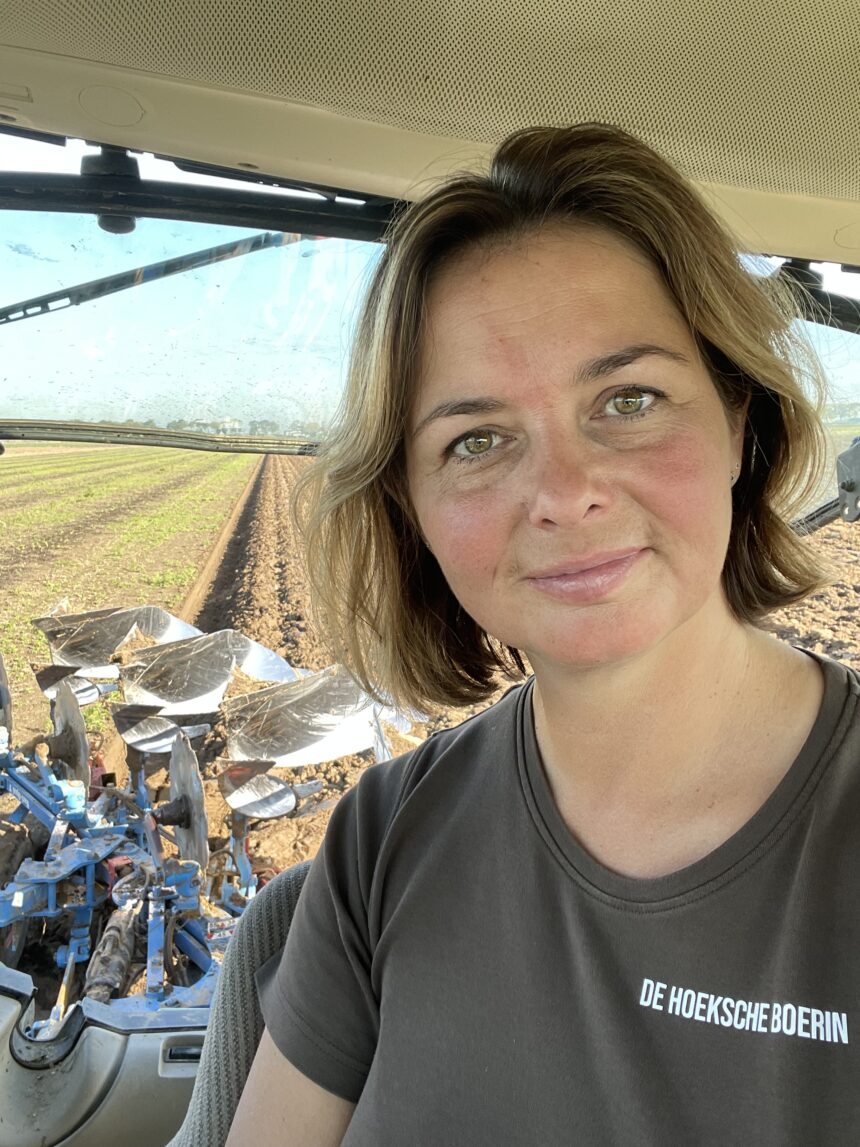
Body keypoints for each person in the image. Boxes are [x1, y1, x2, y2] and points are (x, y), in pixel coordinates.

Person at [226, 124, 860, 1146]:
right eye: (475, 440)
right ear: (414, 507)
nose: (564, 494)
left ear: (737, 420)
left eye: (628, 399)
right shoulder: (384, 836)